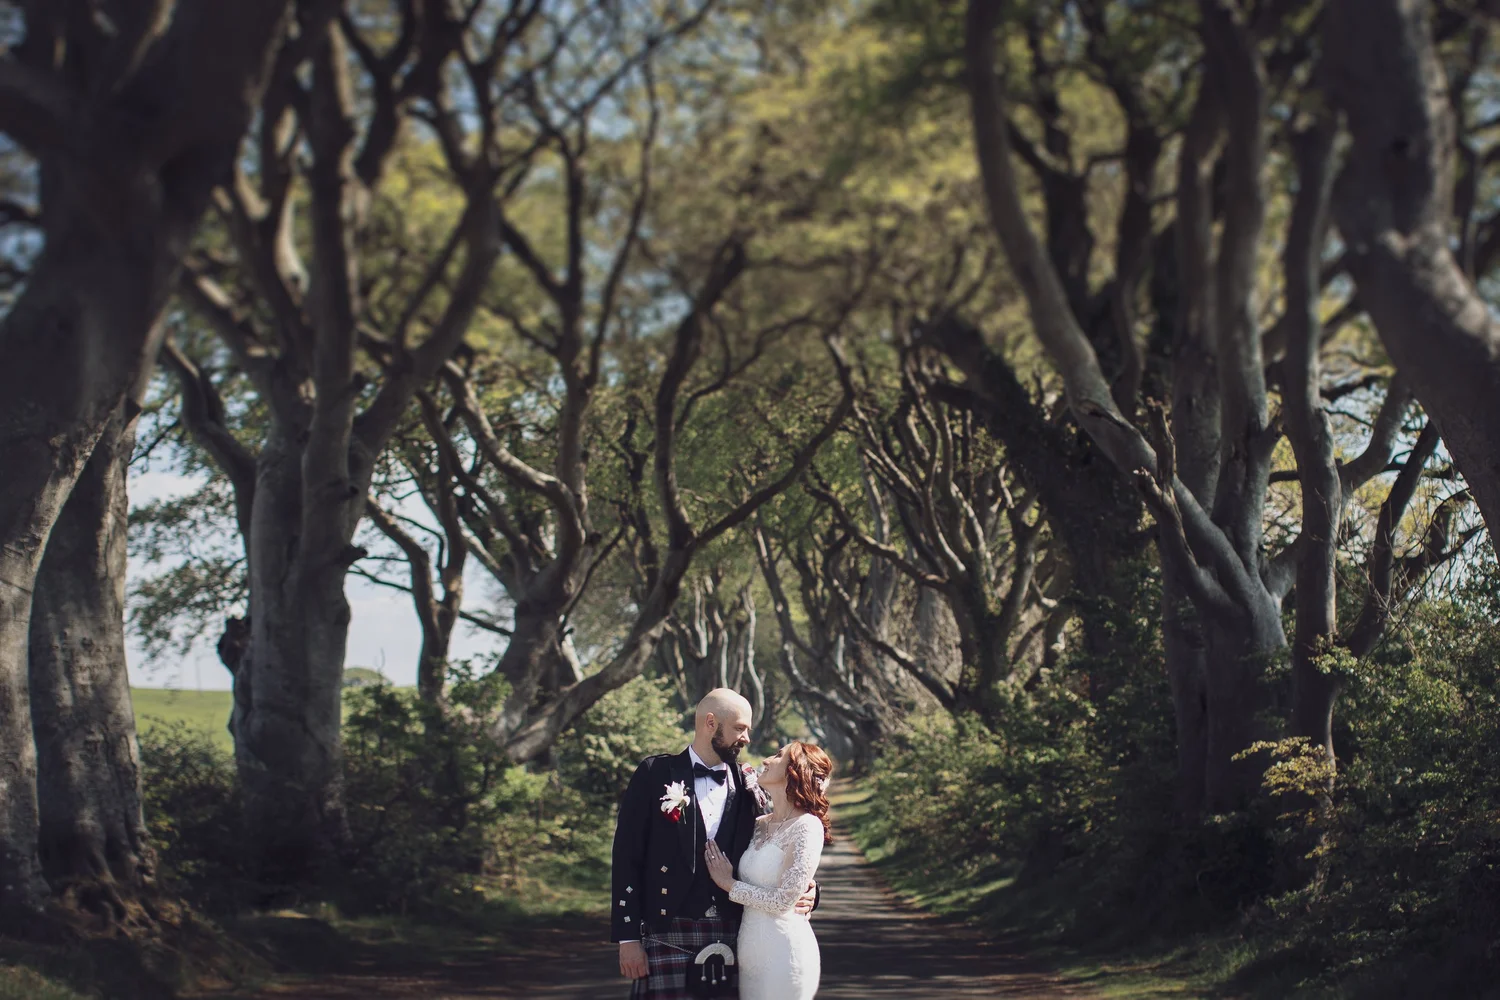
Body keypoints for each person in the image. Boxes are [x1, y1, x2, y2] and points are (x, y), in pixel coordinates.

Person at [611, 689, 818, 998]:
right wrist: (628, 938)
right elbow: (627, 857)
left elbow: (778, 840)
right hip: (668, 928)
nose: (747, 738)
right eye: (739, 728)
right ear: (711, 723)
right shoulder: (655, 774)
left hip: (734, 932)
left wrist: (809, 888)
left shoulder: (750, 784)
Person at [705, 741, 832, 1000]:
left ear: (795, 770)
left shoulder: (807, 826)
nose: (766, 760)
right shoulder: (758, 824)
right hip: (749, 954)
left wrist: (728, 883)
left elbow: (784, 901)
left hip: (785, 952)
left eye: (778, 756)